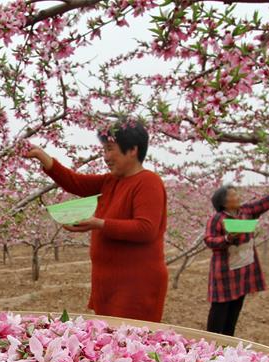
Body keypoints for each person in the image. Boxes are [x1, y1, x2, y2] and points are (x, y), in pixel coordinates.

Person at [25, 117, 168, 322]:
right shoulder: (110, 181)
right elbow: (75, 182)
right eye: (104, 150)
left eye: (110, 149)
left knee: (127, 347)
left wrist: (99, 224)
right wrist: (42, 156)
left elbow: (146, 229)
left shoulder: (148, 182)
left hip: (136, 286)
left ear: (133, 150)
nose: (105, 156)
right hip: (108, 283)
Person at [203, 184, 269, 336]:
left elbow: (263, 204)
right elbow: (209, 240)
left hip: (244, 268)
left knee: (235, 308)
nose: (237, 197)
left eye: (236, 194)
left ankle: (228, 341)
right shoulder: (217, 219)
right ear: (224, 202)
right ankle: (210, 342)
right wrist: (227, 238)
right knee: (219, 309)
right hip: (225, 271)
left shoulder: (246, 212)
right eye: (232, 195)